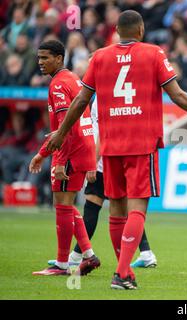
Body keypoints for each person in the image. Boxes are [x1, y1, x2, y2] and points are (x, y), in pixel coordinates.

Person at [46, 10, 187, 290]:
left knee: (117, 209)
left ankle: (124, 273)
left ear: (118, 30)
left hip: (110, 144)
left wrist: (61, 133)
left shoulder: (99, 56)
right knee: (137, 208)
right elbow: (178, 95)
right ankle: (122, 274)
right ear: (142, 29)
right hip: (141, 142)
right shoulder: (153, 53)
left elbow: (81, 101)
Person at [47, 95, 158, 269]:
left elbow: (102, 133)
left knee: (93, 207)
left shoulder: (103, 98)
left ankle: (77, 257)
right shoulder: (112, 95)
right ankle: (146, 253)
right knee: (128, 209)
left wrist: (93, 161)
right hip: (115, 158)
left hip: (104, 161)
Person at [29, 40, 100, 276]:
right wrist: (42, 154)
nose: (41, 62)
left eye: (46, 57)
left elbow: (64, 127)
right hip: (82, 148)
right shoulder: (72, 78)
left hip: (71, 150)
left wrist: (57, 160)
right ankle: (88, 256)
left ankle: (61, 263)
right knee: (67, 205)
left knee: (61, 205)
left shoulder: (58, 85)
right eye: (39, 58)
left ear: (59, 58)